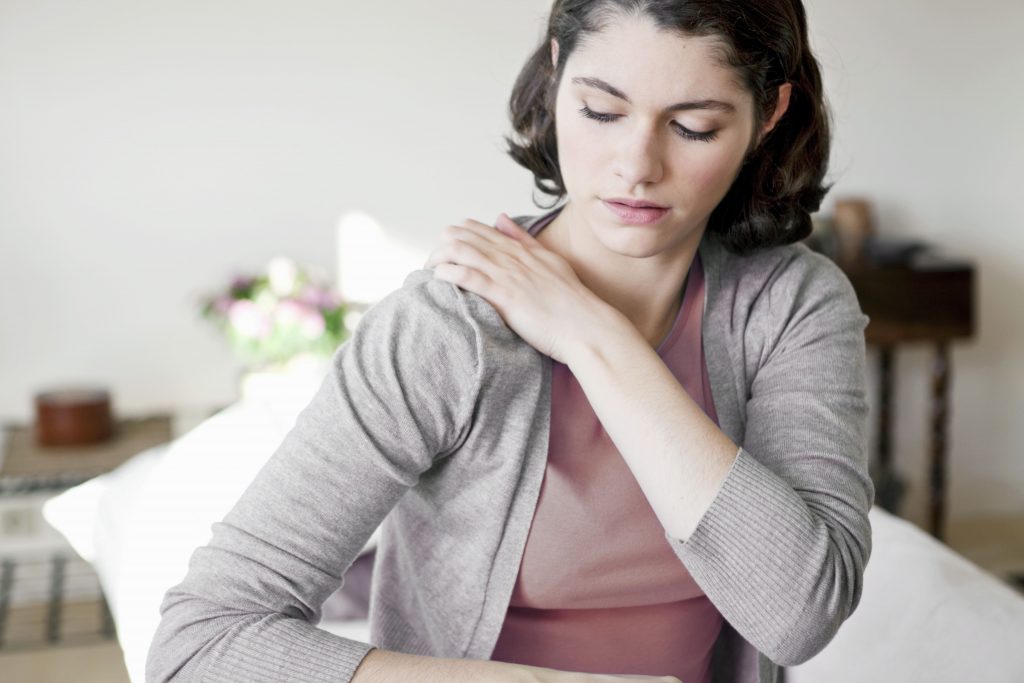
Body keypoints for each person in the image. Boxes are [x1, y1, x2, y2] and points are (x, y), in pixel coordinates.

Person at [145, 1, 873, 682]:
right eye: (600, 110)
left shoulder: (792, 306)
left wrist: (588, 333)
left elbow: (800, 614)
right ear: (557, 74)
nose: (636, 166)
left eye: (693, 127)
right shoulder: (448, 329)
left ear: (768, 113)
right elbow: (201, 644)